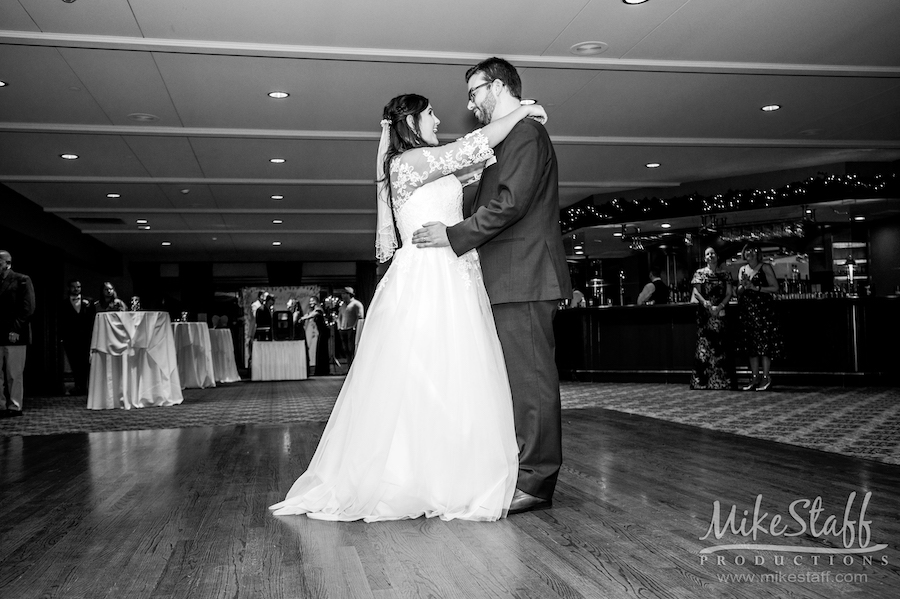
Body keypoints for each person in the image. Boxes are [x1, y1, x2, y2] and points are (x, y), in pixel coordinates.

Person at [269, 91, 547, 522]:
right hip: (428, 276)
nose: (439, 119)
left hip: (454, 272)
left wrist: (513, 133)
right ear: (413, 121)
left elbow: (479, 164)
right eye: (432, 113)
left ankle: (452, 470)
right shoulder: (407, 164)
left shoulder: (430, 164)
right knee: (426, 370)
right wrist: (524, 111)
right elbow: (475, 146)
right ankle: (414, 476)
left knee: (455, 371)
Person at [411, 57, 571, 515]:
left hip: (524, 274)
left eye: (475, 91)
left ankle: (538, 482)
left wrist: (453, 235)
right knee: (517, 384)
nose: (470, 103)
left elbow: (512, 203)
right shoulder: (513, 134)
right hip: (511, 275)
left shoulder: (525, 134)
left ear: (497, 86)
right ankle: (524, 470)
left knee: (531, 381)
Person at [736, 243, 783, 391]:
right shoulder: (742, 269)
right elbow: (738, 292)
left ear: (757, 253)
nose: (749, 253)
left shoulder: (765, 267)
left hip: (763, 310)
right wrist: (743, 286)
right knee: (751, 346)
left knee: (764, 345)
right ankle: (754, 377)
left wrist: (756, 288)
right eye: (747, 251)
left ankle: (766, 377)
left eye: (752, 250)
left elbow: (775, 288)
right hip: (747, 311)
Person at [690, 247, 735, 390]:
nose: (710, 256)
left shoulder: (725, 274)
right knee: (704, 347)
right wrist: (706, 303)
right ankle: (702, 382)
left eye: (713, 253)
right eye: (707, 254)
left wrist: (720, 306)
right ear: (705, 258)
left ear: (717, 256)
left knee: (720, 347)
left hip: (720, 313)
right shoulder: (699, 273)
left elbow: (729, 293)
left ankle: (722, 382)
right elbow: (696, 292)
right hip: (705, 313)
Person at [0, 251, 35, 418]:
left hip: (15, 334)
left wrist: (15, 329)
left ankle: (14, 406)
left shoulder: (21, 279)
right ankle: (0, 405)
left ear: (7, 262)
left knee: (14, 373)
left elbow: (28, 308)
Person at [60, 279, 95, 396]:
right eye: (74, 287)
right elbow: (61, 322)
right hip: (71, 338)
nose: (76, 289)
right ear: (69, 288)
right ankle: (77, 385)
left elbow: (92, 320)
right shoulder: (64, 303)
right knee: (74, 363)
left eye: (78, 287)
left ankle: (85, 386)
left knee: (85, 363)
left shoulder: (89, 302)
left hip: (86, 337)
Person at [337, 287, 365, 366]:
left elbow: (360, 317)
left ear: (349, 294)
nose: (342, 295)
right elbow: (339, 317)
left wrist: (354, 327)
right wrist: (339, 327)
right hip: (343, 329)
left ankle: (354, 366)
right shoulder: (343, 305)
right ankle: (349, 366)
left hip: (351, 329)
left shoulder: (356, 304)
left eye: (344, 293)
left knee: (351, 348)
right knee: (345, 349)